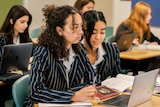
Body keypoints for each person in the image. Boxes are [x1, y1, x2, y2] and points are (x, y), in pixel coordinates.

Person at [23, 5, 97, 107]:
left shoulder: (79, 49)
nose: (81, 31)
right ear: (59, 31)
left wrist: (74, 93)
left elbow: (92, 79)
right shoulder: (43, 52)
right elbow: (36, 92)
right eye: (74, 27)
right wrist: (72, 95)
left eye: (81, 26)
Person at [0, 5, 32, 107]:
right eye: (22, 22)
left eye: (27, 22)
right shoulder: (2, 38)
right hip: (6, 80)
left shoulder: (24, 38)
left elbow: (35, 53)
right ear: (11, 21)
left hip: (19, 75)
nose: (26, 25)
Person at [82, 10, 121, 85]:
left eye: (102, 32)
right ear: (84, 31)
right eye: (93, 33)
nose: (98, 37)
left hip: (107, 94)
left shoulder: (112, 50)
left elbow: (117, 77)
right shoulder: (75, 52)